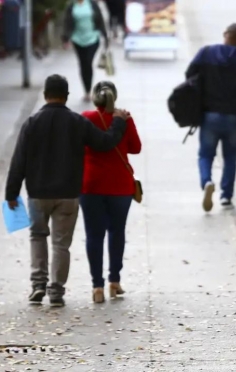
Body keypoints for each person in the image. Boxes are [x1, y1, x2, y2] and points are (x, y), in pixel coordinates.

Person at [4, 75, 129, 307]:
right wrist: (119, 122)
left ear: (45, 95)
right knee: (61, 244)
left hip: (38, 194)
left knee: (37, 237)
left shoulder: (32, 122)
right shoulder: (76, 122)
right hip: (68, 194)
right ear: (67, 96)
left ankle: (38, 285)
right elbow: (104, 143)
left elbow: (19, 160)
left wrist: (11, 193)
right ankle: (56, 292)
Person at [185, 23, 236, 212]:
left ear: (225, 34)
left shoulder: (206, 53)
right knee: (230, 156)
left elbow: (189, 75)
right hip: (232, 117)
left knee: (205, 154)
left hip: (209, 115)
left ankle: (207, 181)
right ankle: (226, 196)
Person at [80, 81, 142, 304]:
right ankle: (114, 281)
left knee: (94, 235)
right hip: (120, 187)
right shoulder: (124, 118)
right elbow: (136, 147)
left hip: (91, 185)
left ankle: (97, 286)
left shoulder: (86, 117)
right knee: (117, 231)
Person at [62, 0, 109, 102]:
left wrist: (105, 37)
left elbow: (100, 20)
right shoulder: (71, 6)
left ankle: (89, 89)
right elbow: (67, 22)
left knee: (88, 62)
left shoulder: (92, 4)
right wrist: (65, 39)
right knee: (83, 64)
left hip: (93, 38)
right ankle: (86, 91)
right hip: (77, 39)